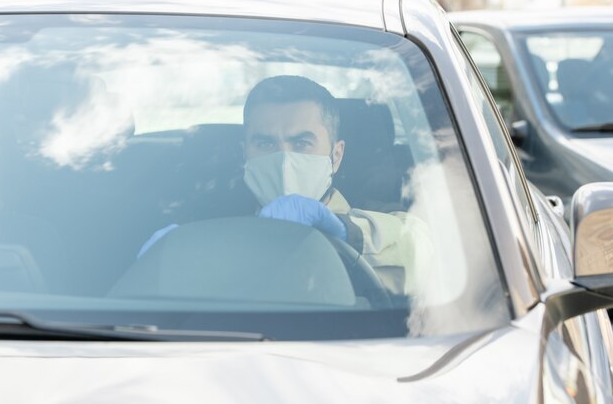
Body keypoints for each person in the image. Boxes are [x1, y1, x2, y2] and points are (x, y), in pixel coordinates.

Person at [138, 75, 432, 295]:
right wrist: (168, 256)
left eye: (302, 142)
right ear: (245, 153)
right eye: (265, 143)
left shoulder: (379, 214)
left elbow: (424, 249)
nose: (283, 158)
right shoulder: (211, 227)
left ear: (336, 155)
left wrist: (343, 230)